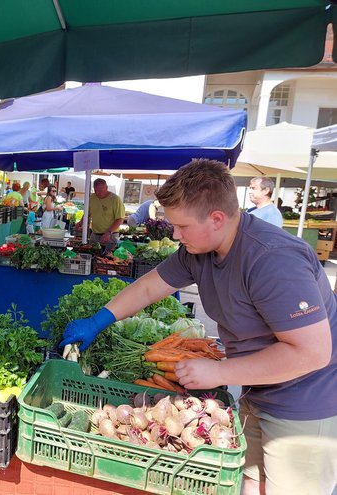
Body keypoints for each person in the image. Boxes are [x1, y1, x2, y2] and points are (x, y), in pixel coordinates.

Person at [60, 159, 337, 495]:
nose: (175, 234)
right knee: (251, 484)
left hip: (305, 406)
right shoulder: (200, 250)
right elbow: (150, 286)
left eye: (182, 226)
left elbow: (312, 353)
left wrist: (220, 373)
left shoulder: (273, 260)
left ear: (216, 219)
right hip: (258, 391)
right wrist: (99, 319)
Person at [85, 177, 125, 252]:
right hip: (95, 235)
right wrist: (81, 222)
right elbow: (87, 213)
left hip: (110, 235)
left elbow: (120, 219)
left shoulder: (115, 199)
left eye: (101, 190)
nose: (99, 193)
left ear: (106, 188)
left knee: (107, 257)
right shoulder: (92, 197)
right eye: (97, 191)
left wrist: (109, 233)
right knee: (92, 255)